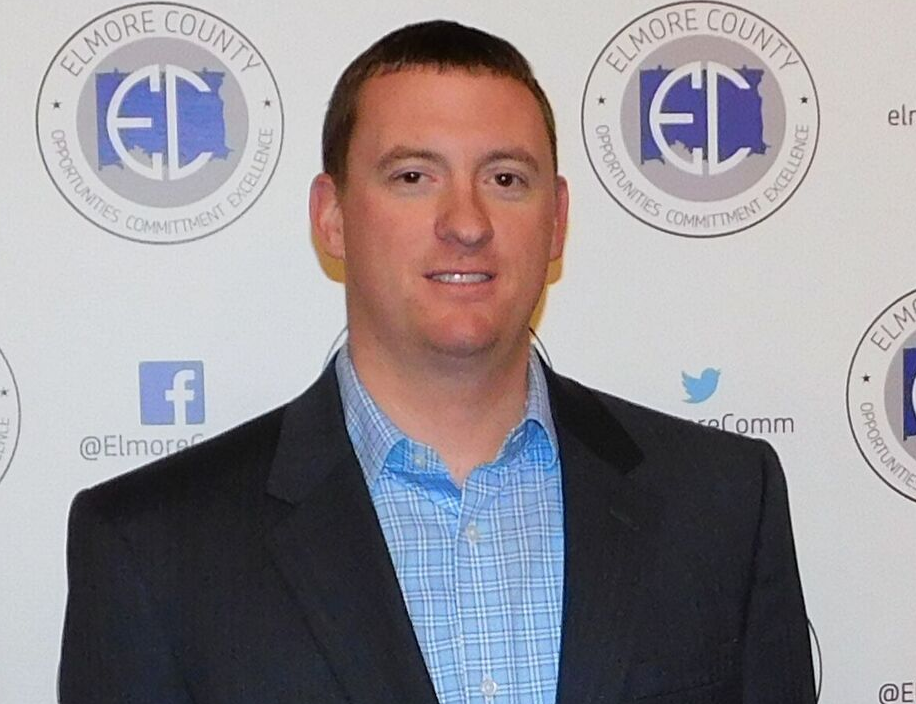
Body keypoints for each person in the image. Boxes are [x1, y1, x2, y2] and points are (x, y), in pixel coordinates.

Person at [59, 20, 816, 704]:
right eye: (413, 177)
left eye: (505, 179)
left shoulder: (720, 503)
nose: (466, 223)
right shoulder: (150, 546)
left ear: (557, 220)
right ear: (332, 216)